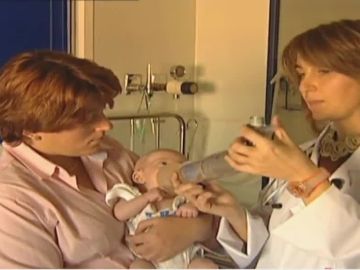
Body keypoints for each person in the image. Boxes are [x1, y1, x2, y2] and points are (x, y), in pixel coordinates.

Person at [0, 50, 216, 268]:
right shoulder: (11, 200)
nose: (106, 126)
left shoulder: (107, 151)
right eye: (87, 119)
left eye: (100, 112)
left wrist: (191, 229)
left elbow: (186, 197)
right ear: (32, 131)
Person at [174, 19, 360, 268]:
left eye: (324, 71)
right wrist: (233, 212)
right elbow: (277, 248)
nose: (305, 85)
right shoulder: (305, 152)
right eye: (302, 73)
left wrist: (304, 177)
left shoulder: (297, 164)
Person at [105, 148, 218, 269]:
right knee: (138, 267)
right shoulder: (133, 196)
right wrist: (146, 198)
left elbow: (202, 208)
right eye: (163, 163)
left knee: (206, 266)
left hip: (186, 258)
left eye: (181, 168)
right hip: (150, 260)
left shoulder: (183, 198)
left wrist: (191, 207)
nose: (174, 173)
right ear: (139, 176)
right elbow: (119, 213)